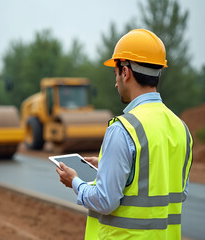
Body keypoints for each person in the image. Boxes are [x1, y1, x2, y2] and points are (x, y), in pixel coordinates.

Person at [56, 29, 193, 240]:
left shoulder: (123, 129)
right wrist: (113, 167)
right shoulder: (181, 128)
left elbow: (105, 201)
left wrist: (75, 181)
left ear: (125, 72)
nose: (116, 82)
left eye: (116, 74)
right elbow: (173, 190)